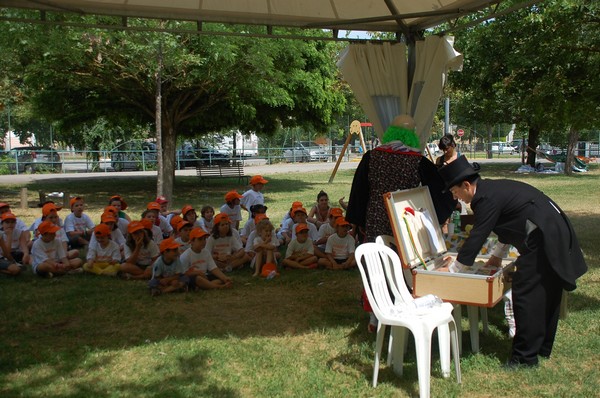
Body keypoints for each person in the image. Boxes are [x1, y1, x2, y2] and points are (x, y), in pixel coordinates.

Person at [438, 155, 587, 368]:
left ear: (466, 185)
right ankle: (541, 347)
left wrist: (454, 269)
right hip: (551, 232)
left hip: (544, 238)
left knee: (527, 295)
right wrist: (497, 256)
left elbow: (478, 235)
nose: (456, 198)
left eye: (455, 192)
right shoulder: (491, 191)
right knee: (546, 292)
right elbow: (507, 225)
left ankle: (524, 358)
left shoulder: (485, 199)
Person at [346, 115, 455, 244]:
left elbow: (360, 191)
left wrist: (359, 220)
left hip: (376, 216)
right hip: (405, 218)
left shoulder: (370, 157)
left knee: (379, 255)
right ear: (411, 135)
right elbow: (441, 190)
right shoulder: (419, 162)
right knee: (404, 256)